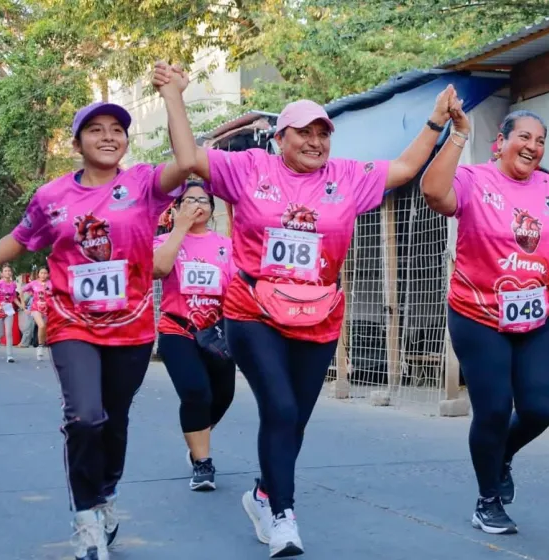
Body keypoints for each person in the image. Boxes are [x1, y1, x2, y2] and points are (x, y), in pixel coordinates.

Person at [157, 60, 462, 555]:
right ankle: (283, 515)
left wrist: (435, 120)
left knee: (294, 417)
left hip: (319, 311)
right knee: (278, 406)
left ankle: (262, 493)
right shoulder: (249, 168)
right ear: (280, 138)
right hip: (252, 308)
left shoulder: (347, 176)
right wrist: (173, 94)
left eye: (324, 133)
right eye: (305, 132)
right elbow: (190, 157)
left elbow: (406, 169)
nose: (316, 141)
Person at [0, 61, 196, 560]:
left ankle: (107, 494)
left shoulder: (143, 184)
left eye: (117, 130)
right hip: (72, 322)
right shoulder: (52, 196)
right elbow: (19, 239)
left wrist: (173, 97)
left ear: (125, 141)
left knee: (113, 420)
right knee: (85, 418)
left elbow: (186, 164)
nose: (108, 137)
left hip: (133, 323)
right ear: (77, 144)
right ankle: (85, 519)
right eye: (95, 130)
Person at [420, 109, 549, 535]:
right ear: (502, 140)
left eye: (541, 140)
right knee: (493, 410)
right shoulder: (475, 180)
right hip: (478, 315)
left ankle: (503, 456)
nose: (533, 146)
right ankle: (487, 500)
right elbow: (435, 194)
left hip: (534, 316)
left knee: (539, 409)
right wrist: (457, 134)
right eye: (524, 137)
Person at [153, 180, 236, 492]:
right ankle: (203, 463)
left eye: (203, 199)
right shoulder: (164, 242)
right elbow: (157, 270)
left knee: (222, 396)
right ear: (176, 207)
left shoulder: (225, 246)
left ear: (212, 209)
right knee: (195, 392)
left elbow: (235, 289)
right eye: (188, 200)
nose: (196, 204)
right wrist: (179, 229)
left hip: (216, 332)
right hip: (178, 330)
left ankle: (196, 436)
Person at [0, 264, 20, 362]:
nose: (7, 272)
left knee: (8, 333)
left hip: (8, 310)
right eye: (5, 271)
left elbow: (14, 297)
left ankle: (10, 356)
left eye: (9, 271)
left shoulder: (13, 284)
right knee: (1, 334)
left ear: (11, 273)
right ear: (2, 274)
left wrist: (21, 306)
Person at [21, 266, 52, 360]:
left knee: (44, 329)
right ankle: (40, 346)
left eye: (45, 273)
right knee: (41, 325)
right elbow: (21, 291)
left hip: (47, 309)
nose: (43, 275)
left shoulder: (51, 284)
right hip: (35, 309)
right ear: (38, 274)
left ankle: (41, 345)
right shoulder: (33, 283)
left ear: (48, 274)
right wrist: (24, 306)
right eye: (41, 273)